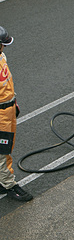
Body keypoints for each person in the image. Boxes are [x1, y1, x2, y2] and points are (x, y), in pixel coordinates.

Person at [0, 27, 33, 202]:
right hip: (0, 114)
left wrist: (14, 101)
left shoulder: (1, 57)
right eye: (1, 45)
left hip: (9, 108)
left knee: (7, 148)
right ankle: (9, 185)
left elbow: (7, 82)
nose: (3, 48)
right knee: (2, 152)